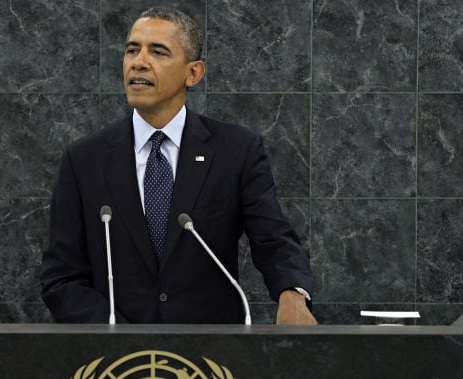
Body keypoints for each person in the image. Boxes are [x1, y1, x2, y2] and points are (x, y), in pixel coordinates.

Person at [41, 7, 317, 325]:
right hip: (118, 362)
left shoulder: (235, 150)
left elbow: (273, 239)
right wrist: (118, 336)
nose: (138, 62)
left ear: (193, 73)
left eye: (157, 52)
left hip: (211, 358)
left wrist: (292, 295)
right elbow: (61, 276)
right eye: (132, 50)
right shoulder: (84, 159)